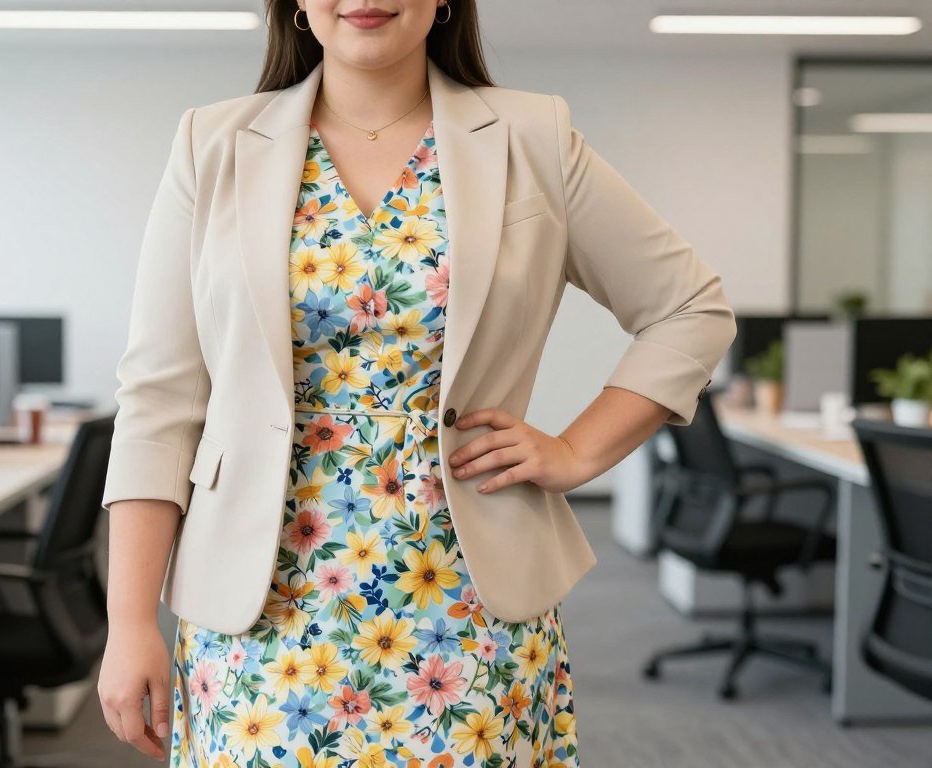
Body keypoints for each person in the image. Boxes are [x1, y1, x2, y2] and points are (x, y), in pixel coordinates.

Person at [97, 1, 738, 765]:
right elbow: (160, 401)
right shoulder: (214, 144)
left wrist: (576, 450)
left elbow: (689, 308)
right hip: (263, 613)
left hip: (465, 604)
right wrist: (129, 619)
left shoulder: (532, 137)